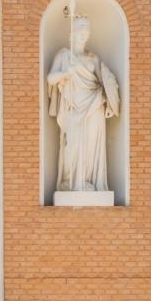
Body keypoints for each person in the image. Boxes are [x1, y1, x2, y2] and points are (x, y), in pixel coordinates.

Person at [47, 13, 120, 195]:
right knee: (72, 146)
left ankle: (88, 182)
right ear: (72, 32)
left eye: (86, 30)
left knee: (90, 147)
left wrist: (110, 103)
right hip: (72, 108)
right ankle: (70, 183)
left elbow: (107, 83)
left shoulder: (94, 59)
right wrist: (66, 73)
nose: (84, 33)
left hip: (94, 106)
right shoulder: (64, 55)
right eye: (80, 28)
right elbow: (50, 78)